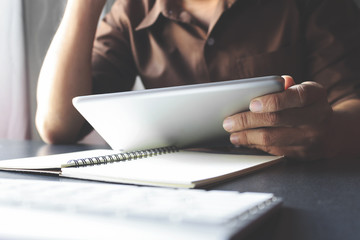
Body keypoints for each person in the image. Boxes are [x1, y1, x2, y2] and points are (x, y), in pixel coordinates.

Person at [36, 0, 360, 160]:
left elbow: (352, 103)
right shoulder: (133, 9)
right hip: (172, 194)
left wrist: (326, 132)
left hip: (293, 186)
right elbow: (58, 124)